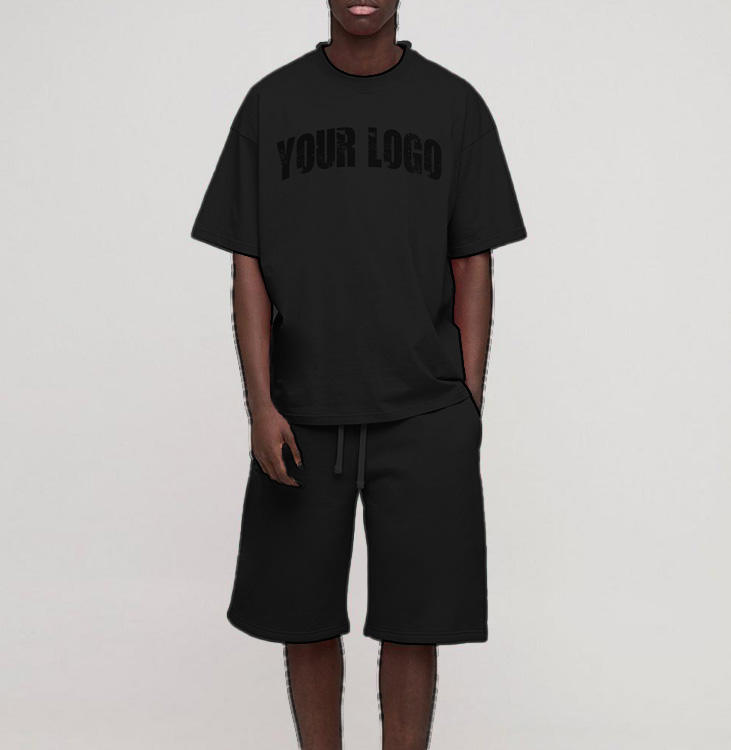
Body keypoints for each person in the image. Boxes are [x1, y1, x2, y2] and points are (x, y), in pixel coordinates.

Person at [191, 1, 526, 747]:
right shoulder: (272, 103)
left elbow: (473, 260)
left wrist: (466, 401)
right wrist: (261, 406)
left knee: (415, 623)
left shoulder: (454, 105)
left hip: (425, 413)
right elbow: (247, 264)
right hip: (302, 411)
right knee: (303, 619)